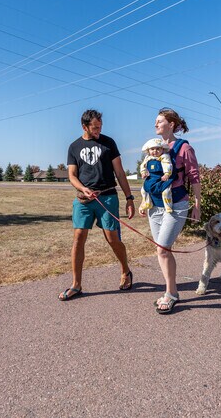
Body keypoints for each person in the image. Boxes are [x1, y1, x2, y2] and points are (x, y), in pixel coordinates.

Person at [59, 109, 136, 301]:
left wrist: (129, 198)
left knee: (112, 239)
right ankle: (76, 285)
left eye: (100, 126)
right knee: (78, 237)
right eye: (95, 127)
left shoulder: (109, 143)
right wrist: (83, 189)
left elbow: (119, 172)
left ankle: (126, 271)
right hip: (84, 200)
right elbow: (72, 176)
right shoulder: (74, 147)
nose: (98, 130)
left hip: (107, 196)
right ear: (84, 126)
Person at [140, 108, 202, 314]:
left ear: (171, 124)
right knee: (162, 250)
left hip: (176, 204)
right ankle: (171, 290)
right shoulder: (153, 148)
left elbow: (194, 177)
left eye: (159, 121)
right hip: (155, 205)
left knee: (162, 248)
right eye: (155, 121)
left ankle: (171, 293)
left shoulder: (184, 148)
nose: (156, 125)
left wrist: (197, 204)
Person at [139, 138, 174, 215]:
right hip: (151, 178)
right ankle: (147, 202)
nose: (155, 151)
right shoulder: (147, 158)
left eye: (158, 149)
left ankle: (168, 205)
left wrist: (167, 174)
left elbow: (167, 164)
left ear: (162, 149)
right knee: (144, 190)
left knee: (166, 191)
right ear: (148, 150)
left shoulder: (164, 156)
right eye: (152, 149)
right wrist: (143, 172)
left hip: (162, 178)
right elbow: (143, 166)